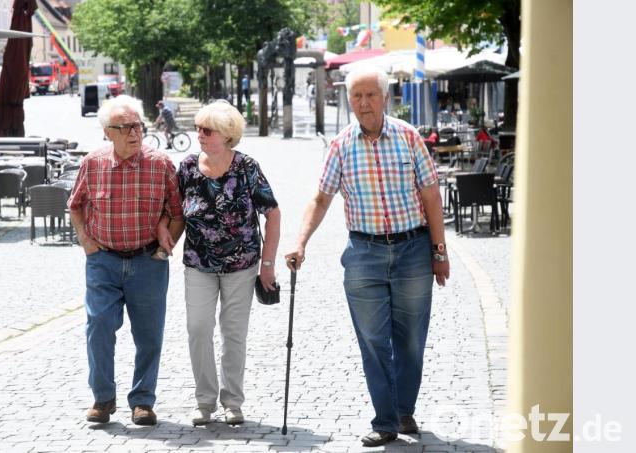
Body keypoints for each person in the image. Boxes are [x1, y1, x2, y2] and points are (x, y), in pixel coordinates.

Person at [284, 66, 449, 448]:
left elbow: (430, 196)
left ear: (385, 98)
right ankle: (386, 420)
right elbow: (321, 198)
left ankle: (403, 408)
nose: (363, 103)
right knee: (373, 340)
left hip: (412, 251)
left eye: (370, 95)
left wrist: (439, 251)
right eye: (356, 96)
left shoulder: (408, 138)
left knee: (410, 340)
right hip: (363, 254)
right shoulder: (341, 145)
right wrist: (301, 242)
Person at [157, 100, 281, 426]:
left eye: (207, 129)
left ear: (226, 135)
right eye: (198, 128)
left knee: (233, 333)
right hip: (198, 262)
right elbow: (173, 210)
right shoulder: (186, 168)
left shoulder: (247, 168)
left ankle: (232, 402)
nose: (199, 134)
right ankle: (205, 400)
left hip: (242, 264)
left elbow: (272, 213)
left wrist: (268, 263)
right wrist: (162, 229)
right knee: (198, 328)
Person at [68, 95, 183, 426]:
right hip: (102, 260)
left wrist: (164, 247)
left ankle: (143, 400)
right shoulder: (93, 163)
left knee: (149, 335)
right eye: (126, 128)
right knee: (99, 326)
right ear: (108, 132)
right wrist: (86, 241)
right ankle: (103, 399)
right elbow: (75, 205)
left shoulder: (160, 164)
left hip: (148, 260)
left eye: (138, 126)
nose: (135, 133)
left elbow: (177, 213)